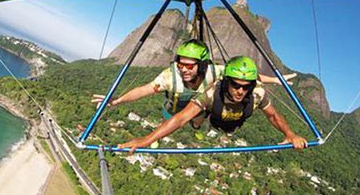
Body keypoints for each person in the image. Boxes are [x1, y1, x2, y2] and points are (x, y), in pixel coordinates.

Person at [118, 56, 308, 153]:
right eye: (235, 85)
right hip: (213, 112)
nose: (240, 91)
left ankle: (207, 123)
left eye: (246, 86)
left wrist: (290, 134)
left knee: (229, 124)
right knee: (195, 120)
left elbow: (274, 116)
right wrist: (146, 140)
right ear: (226, 81)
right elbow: (181, 118)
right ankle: (200, 124)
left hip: (231, 123)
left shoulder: (257, 92)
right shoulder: (211, 92)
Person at [92, 39, 296, 120]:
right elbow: (144, 89)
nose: (183, 69)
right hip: (174, 108)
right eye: (180, 64)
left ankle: (197, 126)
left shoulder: (214, 71)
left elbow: (247, 76)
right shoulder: (170, 76)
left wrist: (276, 80)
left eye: (189, 65)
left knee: (198, 121)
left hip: (198, 109)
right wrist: (116, 100)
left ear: (202, 65)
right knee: (170, 120)